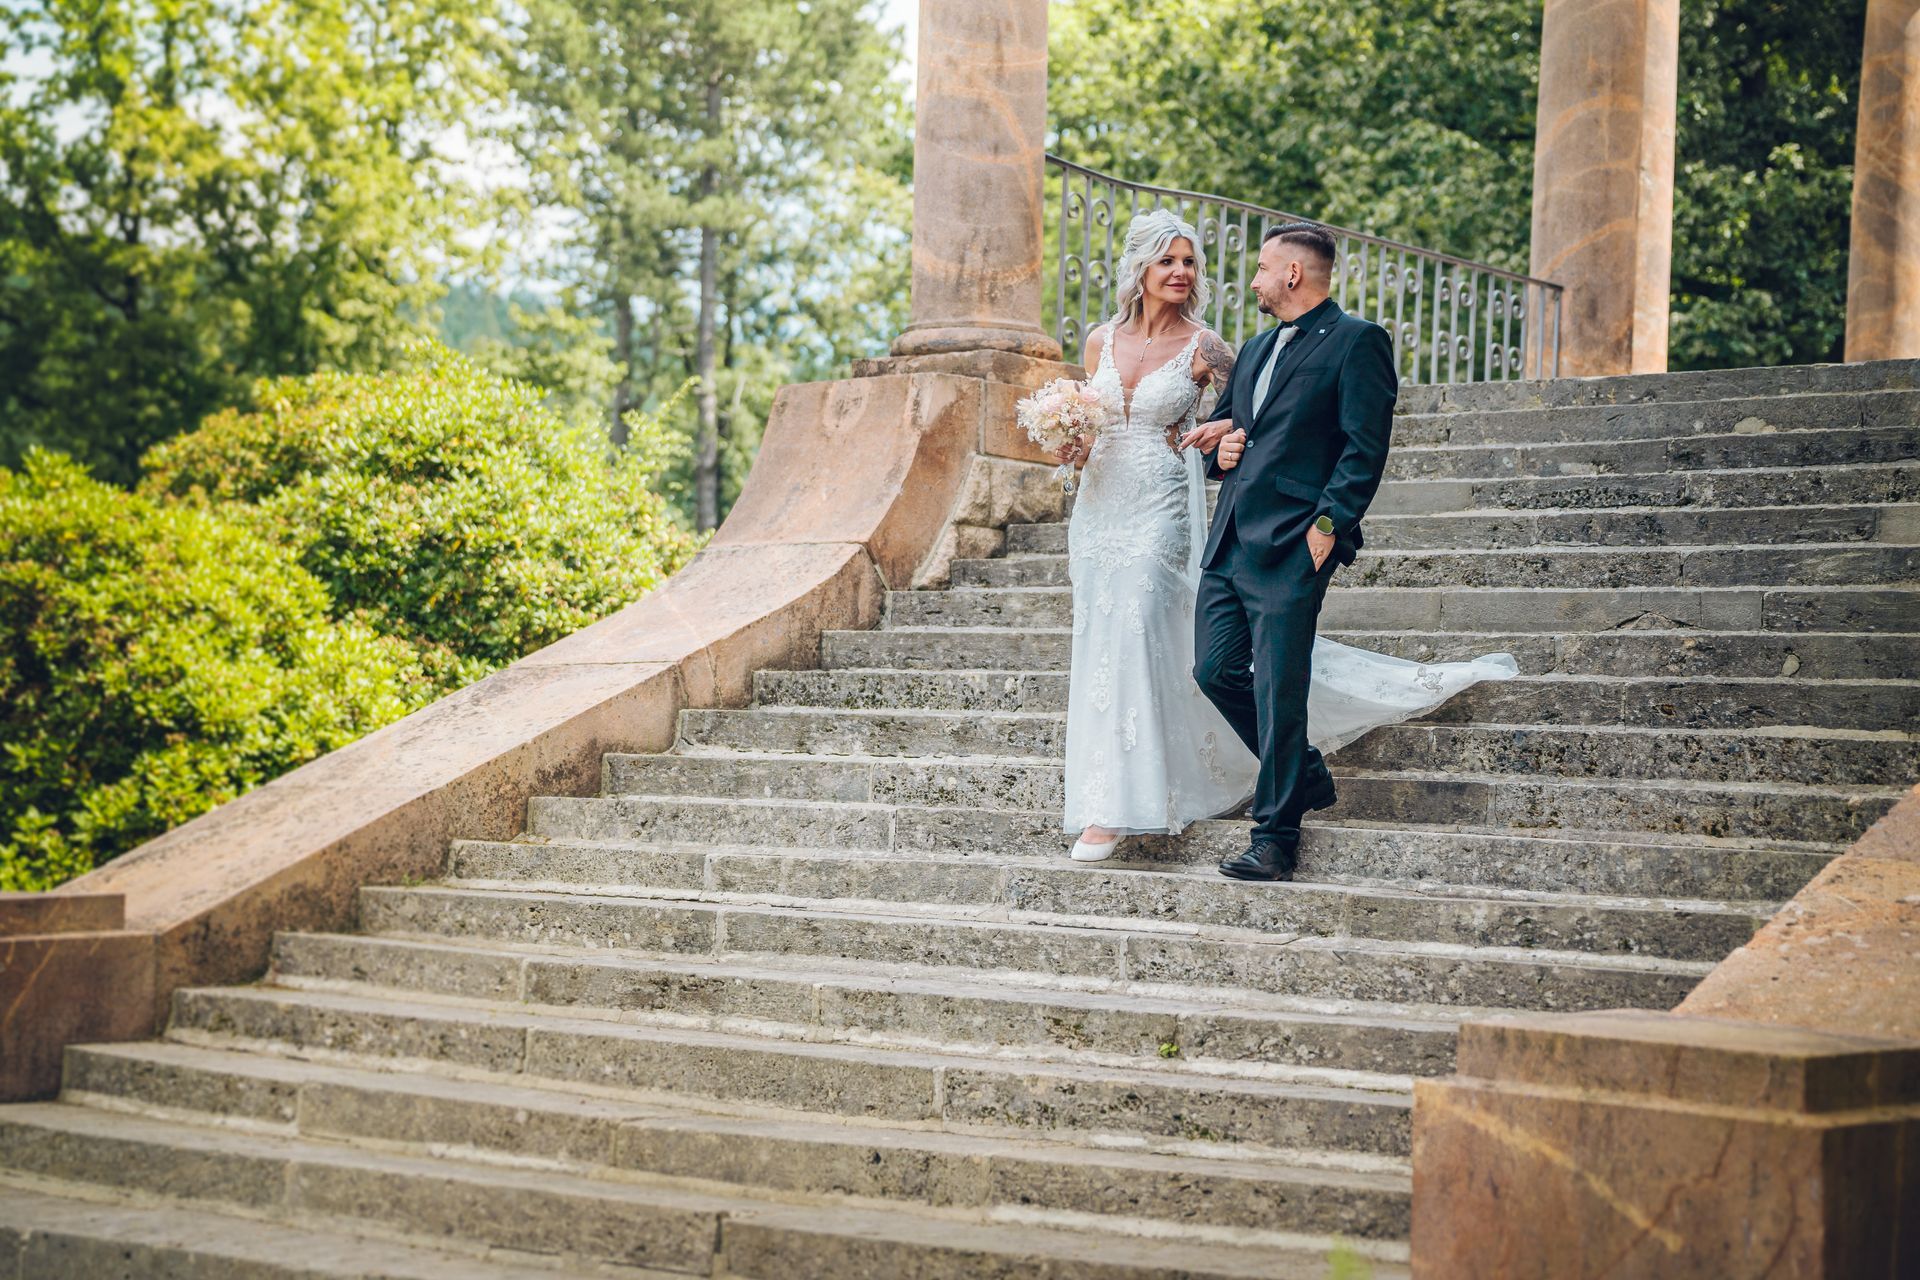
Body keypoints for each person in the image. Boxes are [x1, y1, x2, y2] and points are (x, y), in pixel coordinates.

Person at [1057, 211, 1514, 870]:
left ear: (1292, 273)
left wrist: (1329, 525)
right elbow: (1227, 434)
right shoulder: (1255, 348)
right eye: (1170, 261)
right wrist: (1217, 450)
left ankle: (1273, 838)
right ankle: (1301, 769)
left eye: (1261, 268)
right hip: (1199, 529)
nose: (1247, 279)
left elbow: (1362, 446)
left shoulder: (1348, 341)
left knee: (1275, 682)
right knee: (1213, 670)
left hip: (1279, 535)